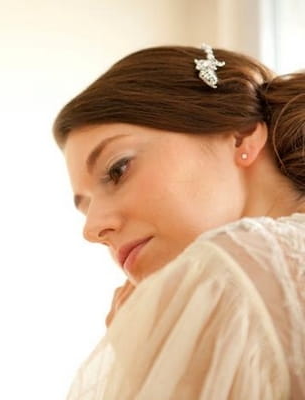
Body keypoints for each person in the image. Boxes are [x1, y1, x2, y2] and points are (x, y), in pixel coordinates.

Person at [53, 44, 305, 399]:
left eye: (117, 169)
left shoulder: (230, 267)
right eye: (86, 207)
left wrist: (148, 365)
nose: (92, 229)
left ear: (240, 135)